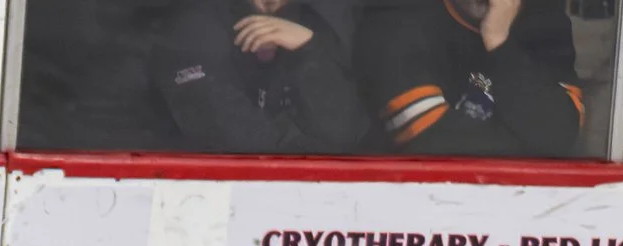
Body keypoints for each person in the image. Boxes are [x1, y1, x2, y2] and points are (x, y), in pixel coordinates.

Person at [353, 0, 583, 156]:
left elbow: (559, 135)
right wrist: (534, 145)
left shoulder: (546, 23)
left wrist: (498, 40)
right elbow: (432, 144)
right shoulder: (396, 18)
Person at [152, 0, 370, 153]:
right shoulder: (196, 22)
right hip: (197, 190)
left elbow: (343, 135)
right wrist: (306, 152)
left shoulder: (315, 23)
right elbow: (223, 131)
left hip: (305, 194)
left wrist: (309, 49)